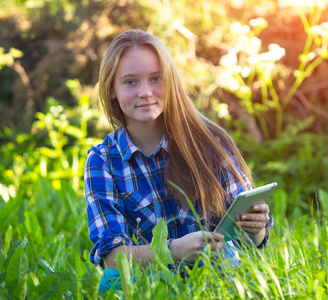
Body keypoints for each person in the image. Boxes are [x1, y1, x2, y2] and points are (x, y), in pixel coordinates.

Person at [84, 29, 273, 292]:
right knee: (109, 284)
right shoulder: (102, 161)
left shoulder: (210, 143)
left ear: (170, 81)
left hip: (219, 285)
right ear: (112, 89)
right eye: (130, 82)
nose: (145, 92)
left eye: (155, 79)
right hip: (149, 290)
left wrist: (255, 227)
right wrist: (172, 250)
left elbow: (249, 242)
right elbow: (112, 258)